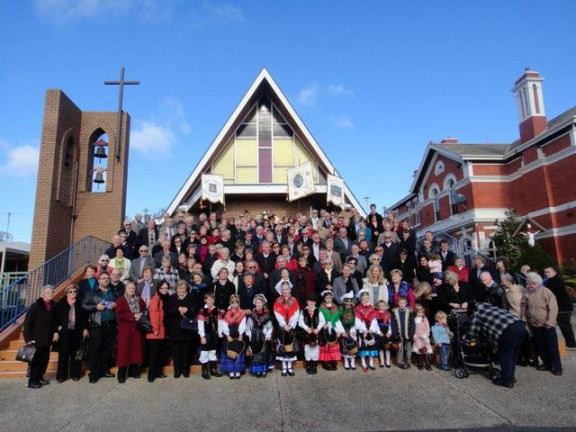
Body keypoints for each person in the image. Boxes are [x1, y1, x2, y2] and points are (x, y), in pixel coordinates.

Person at [82, 273, 117, 383]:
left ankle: (104, 370)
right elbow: (83, 306)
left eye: (107, 278)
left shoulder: (113, 292)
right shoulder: (91, 293)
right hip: (97, 325)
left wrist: (115, 304)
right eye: (103, 278)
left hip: (111, 324)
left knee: (108, 349)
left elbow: (119, 303)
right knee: (95, 349)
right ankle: (94, 374)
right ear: (99, 280)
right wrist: (95, 307)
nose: (106, 280)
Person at [526, 272, 563, 376]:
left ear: (534, 282)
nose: (528, 284)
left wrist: (550, 322)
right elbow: (526, 307)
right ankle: (546, 363)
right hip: (535, 324)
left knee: (552, 346)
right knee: (541, 346)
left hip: (547, 325)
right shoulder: (529, 292)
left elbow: (553, 308)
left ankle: (557, 366)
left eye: (529, 282)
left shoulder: (545, 291)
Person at [53, 284, 88, 383]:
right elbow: (55, 317)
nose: (73, 293)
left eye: (74, 291)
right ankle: (61, 376)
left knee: (76, 354)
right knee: (63, 354)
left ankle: (75, 374)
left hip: (77, 331)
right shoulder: (61, 304)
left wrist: (85, 328)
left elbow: (85, 317)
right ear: (66, 293)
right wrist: (56, 329)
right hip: (64, 332)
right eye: (70, 291)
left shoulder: (80, 303)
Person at [23, 285, 56, 389]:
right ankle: (32, 381)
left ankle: (40, 377)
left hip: (47, 338)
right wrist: (28, 339)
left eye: (51, 292)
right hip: (36, 338)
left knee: (44, 359)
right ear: (42, 294)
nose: (50, 294)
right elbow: (27, 323)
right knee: (35, 361)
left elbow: (55, 322)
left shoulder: (53, 306)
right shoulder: (36, 306)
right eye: (47, 292)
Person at [115, 281, 146, 383]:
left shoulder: (139, 299)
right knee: (124, 352)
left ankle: (134, 371)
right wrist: (132, 316)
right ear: (125, 289)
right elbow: (119, 315)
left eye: (133, 288)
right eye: (129, 288)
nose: (132, 290)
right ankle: (121, 374)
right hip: (126, 329)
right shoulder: (121, 300)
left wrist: (141, 315)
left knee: (135, 350)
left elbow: (144, 309)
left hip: (137, 329)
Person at [166, 280, 197, 378]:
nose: (182, 290)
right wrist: (178, 309)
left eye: (184, 288)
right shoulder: (172, 298)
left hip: (187, 329)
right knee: (176, 352)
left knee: (186, 351)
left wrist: (187, 310)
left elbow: (195, 310)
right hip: (175, 330)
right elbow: (168, 312)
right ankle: (177, 370)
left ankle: (185, 370)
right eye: (180, 288)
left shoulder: (191, 297)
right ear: (176, 289)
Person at [543, 267, 576, 350]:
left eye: (548, 272)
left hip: (562, 308)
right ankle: (570, 343)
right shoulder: (551, 281)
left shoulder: (555, 281)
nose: (546, 274)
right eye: (545, 272)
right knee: (565, 326)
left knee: (565, 326)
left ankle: (571, 344)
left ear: (554, 272)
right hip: (562, 307)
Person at [274, 281, 300, 376]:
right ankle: (284, 367)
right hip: (282, 326)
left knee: (290, 346)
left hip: (291, 326)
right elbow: (277, 313)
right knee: (283, 346)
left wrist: (291, 325)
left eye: (287, 289)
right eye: (283, 289)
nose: (285, 291)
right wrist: (284, 324)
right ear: (281, 290)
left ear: (290, 289)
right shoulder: (278, 300)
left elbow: (296, 313)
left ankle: (290, 366)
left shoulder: (294, 300)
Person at [146, 280, 169, 382]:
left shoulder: (164, 298)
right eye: (162, 288)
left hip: (163, 330)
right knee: (154, 354)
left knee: (160, 353)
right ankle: (151, 375)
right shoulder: (156, 298)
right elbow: (154, 314)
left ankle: (159, 372)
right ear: (158, 289)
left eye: (166, 288)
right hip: (156, 331)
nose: (164, 290)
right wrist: (155, 329)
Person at [219, 294, 247, 380]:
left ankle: (238, 371)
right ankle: (231, 371)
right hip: (229, 336)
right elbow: (224, 325)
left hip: (238, 336)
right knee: (230, 352)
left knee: (238, 351)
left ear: (239, 303)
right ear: (230, 303)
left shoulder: (242, 313)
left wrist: (241, 333)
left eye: (236, 302)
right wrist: (227, 335)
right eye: (232, 302)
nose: (234, 304)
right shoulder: (227, 313)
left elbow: (243, 324)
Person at [246, 294, 273, 378]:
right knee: (256, 354)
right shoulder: (252, 315)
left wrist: (268, 334)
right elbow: (248, 327)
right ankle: (257, 370)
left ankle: (264, 370)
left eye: (260, 303)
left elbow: (270, 326)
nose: (258, 304)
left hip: (264, 337)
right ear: (255, 303)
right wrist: (250, 336)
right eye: (257, 303)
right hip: (254, 337)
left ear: (263, 304)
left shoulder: (267, 315)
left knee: (264, 354)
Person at [197, 291, 223, 380]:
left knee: (213, 352)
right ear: (205, 300)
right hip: (206, 334)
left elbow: (220, 322)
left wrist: (219, 332)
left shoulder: (217, 310)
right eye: (209, 299)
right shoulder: (202, 311)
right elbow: (200, 324)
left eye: (212, 299)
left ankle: (213, 369)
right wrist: (202, 336)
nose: (211, 301)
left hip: (214, 334)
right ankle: (204, 371)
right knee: (204, 352)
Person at [298, 293, 325, 374]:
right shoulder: (303, 311)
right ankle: (308, 366)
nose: (311, 302)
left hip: (316, 334)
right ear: (307, 301)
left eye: (313, 301)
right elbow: (300, 322)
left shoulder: (318, 311)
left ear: (315, 302)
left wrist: (318, 328)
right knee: (307, 349)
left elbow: (322, 321)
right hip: (307, 334)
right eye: (310, 301)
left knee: (315, 350)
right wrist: (306, 328)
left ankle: (314, 366)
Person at [318, 290, 343, 371]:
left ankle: (333, 362)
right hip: (324, 328)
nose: (328, 299)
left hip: (334, 328)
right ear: (324, 298)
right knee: (326, 346)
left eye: (330, 298)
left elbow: (337, 319)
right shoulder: (321, 307)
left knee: (333, 346)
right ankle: (326, 362)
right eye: (327, 298)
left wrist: (339, 330)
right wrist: (323, 324)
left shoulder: (336, 307)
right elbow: (319, 318)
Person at [355, 289, 379, 372]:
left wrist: (372, 328)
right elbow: (357, 319)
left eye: (367, 298)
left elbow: (374, 319)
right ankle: (363, 362)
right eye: (364, 298)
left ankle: (371, 362)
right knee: (363, 346)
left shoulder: (371, 307)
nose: (366, 299)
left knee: (371, 345)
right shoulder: (358, 308)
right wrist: (363, 329)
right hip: (363, 328)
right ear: (361, 298)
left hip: (370, 328)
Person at [390, 296, 415, 370]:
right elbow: (393, 324)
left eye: (404, 303)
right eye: (400, 303)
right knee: (400, 348)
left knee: (408, 348)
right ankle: (400, 362)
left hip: (408, 334)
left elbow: (412, 324)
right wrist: (395, 334)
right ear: (398, 303)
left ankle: (408, 361)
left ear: (406, 303)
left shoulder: (409, 312)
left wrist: (411, 333)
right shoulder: (395, 312)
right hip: (399, 334)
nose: (402, 304)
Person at [339, 291, 359, 370]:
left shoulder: (354, 309)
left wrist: (354, 328)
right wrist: (341, 330)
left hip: (352, 327)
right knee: (345, 344)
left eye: (350, 304)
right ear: (344, 303)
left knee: (353, 343)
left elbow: (357, 318)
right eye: (346, 304)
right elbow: (338, 319)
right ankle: (346, 360)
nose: (348, 306)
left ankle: (352, 360)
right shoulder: (341, 309)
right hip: (344, 328)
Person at [412, 304, 433, 371]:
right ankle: (420, 363)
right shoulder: (414, 319)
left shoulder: (424, 319)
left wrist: (426, 335)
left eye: (422, 312)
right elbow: (413, 328)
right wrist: (414, 335)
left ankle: (428, 364)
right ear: (416, 312)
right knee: (419, 350)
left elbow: (427, 328)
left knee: (427, 351)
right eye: (419, 312)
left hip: (424, 337)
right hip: (417, 337)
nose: (421, 314)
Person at [374, 300, 392, 368]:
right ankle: (382, 362)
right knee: (380, 348)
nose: (381, 307)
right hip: (380, 333)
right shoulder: (375, 314)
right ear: (378, 307)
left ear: (385, 307)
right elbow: (375, 324)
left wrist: (389, 332)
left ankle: (387, 361)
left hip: (387, 332)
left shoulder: (388, 314)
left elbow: (391, 324)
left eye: (383, 306)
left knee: (387, 347)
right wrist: (378, 332)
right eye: (380, 306)